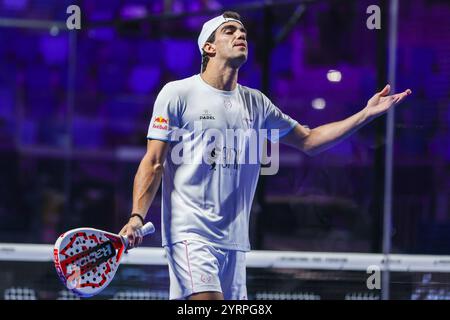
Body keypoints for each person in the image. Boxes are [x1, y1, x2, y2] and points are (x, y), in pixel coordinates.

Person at [119, 11, 411, 300]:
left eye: (242, 31)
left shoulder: (256, 103)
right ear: (209, 47)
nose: (240, 34)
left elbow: (309, 141)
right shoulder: (177, 93)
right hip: (189, 235)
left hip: (235, 244)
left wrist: (365, 114)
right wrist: (136, 217)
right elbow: (154, 162)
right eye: (230, 31)